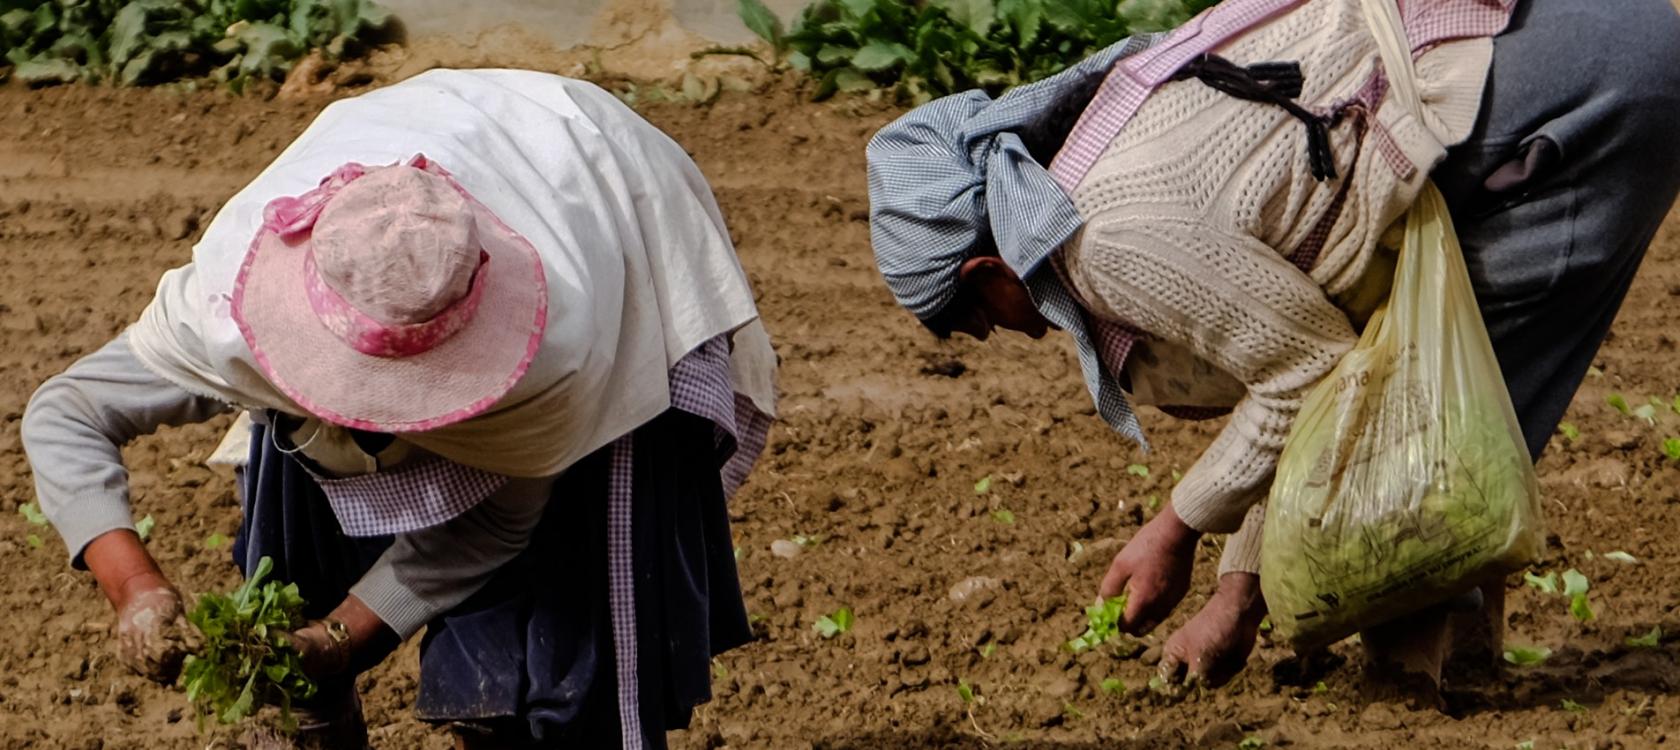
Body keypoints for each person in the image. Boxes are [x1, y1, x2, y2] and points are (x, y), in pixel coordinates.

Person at [867, 0, 1680, 692]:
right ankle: (1457, 659)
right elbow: (1318, 372)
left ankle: (1405, 692)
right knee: (1432, 370)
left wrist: (1179, 531)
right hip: (1583, 41)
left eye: (971, 320)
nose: (992, 337)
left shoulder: (1100, 241)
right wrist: (1235, 594)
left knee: (1441, 399)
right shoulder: (1094, 152)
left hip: (1587, 90)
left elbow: (1317, 375)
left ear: (985, 271)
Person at [21, 69, 778, 749]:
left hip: (601, 189)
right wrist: (136, 588)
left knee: (561, 658)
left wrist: (345, 637)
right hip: (415, 171)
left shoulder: (559, 361)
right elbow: (69, 410)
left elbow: (493, 523)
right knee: (286, 570)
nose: (378, 408)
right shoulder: (222, 310)